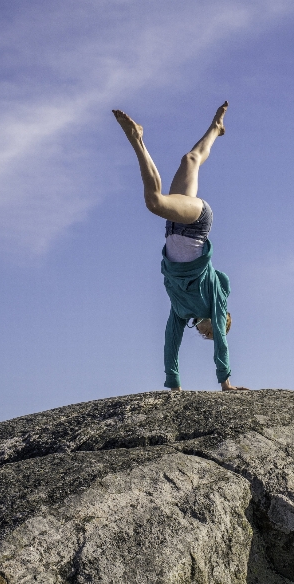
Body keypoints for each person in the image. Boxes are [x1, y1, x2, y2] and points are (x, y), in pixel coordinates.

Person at [112, 102, 248, 392]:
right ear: (214, 325)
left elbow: (170, 341)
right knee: (155, 202)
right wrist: (225, 382)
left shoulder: (180, 311)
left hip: (174, 230)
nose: (202, 336)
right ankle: (136, 138)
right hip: (197, 225)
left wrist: (173, 384)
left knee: (189, 160)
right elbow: (222, 343)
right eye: (207, 335)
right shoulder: (215, 299)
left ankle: (216, 129)